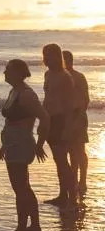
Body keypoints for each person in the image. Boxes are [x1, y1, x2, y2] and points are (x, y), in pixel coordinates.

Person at [0, 59, 50, 231]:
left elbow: (45, 118)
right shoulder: (14, 91)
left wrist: (40, 144)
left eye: (8, 70)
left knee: (21, 188)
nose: (4, 72)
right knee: (23, 187)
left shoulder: (27, 94)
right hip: (12, 144)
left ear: (19, 73)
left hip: (21, 144)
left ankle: (22, 229)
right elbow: (10, 122)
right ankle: (34, 226)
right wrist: (4, 144)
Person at [42, 43, 77, 207]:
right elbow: (47, 98)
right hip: (49, 120)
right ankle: (63, 194)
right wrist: (42, 119)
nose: (46, 58)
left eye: (49, 55)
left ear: (57, 56)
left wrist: (68, 128)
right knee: (58, 160)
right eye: (44, 54)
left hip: (61, 121)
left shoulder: (65, 77)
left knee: (63, 161)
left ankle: (72, 197)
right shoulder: (47, 74)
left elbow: (70, 105)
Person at [63, 50, 90, 195]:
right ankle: (73, 181)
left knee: (79, 150)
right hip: (64, 118)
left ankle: (83, 181)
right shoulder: (56, 77)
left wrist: (78, 116)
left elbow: (85, 99)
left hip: (77, 117)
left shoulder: (79, 77)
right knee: (69, 151)